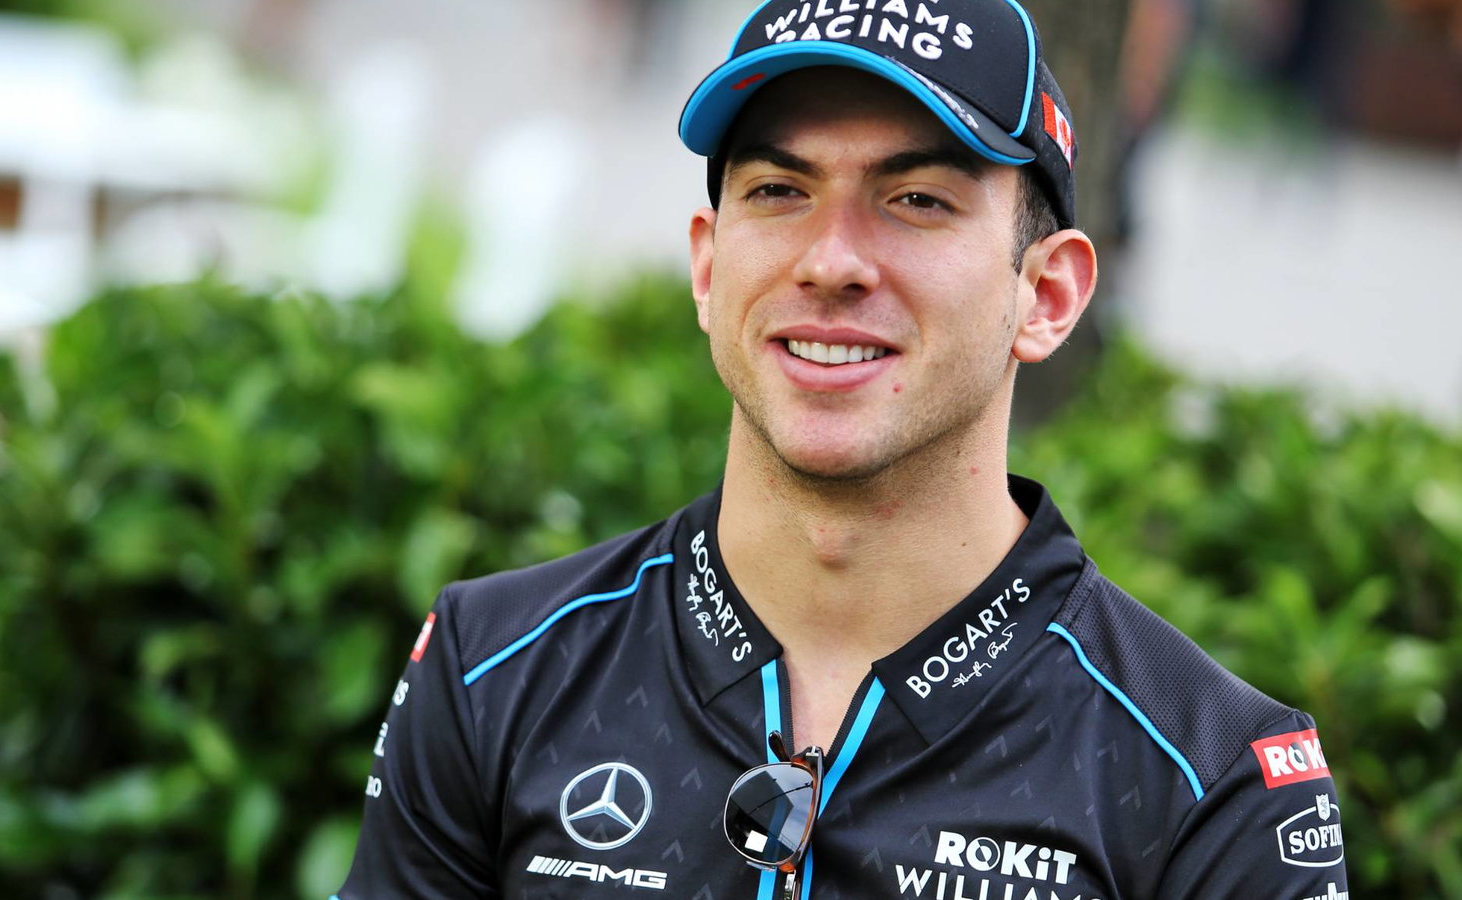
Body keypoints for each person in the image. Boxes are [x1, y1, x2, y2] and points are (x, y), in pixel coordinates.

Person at [335, 1, 1348, 898]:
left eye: (917, 200)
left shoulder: (1212, 779)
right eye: (781, 190)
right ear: (707, 267)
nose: (831, 262)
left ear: (1046, 295)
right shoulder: (492, 666)